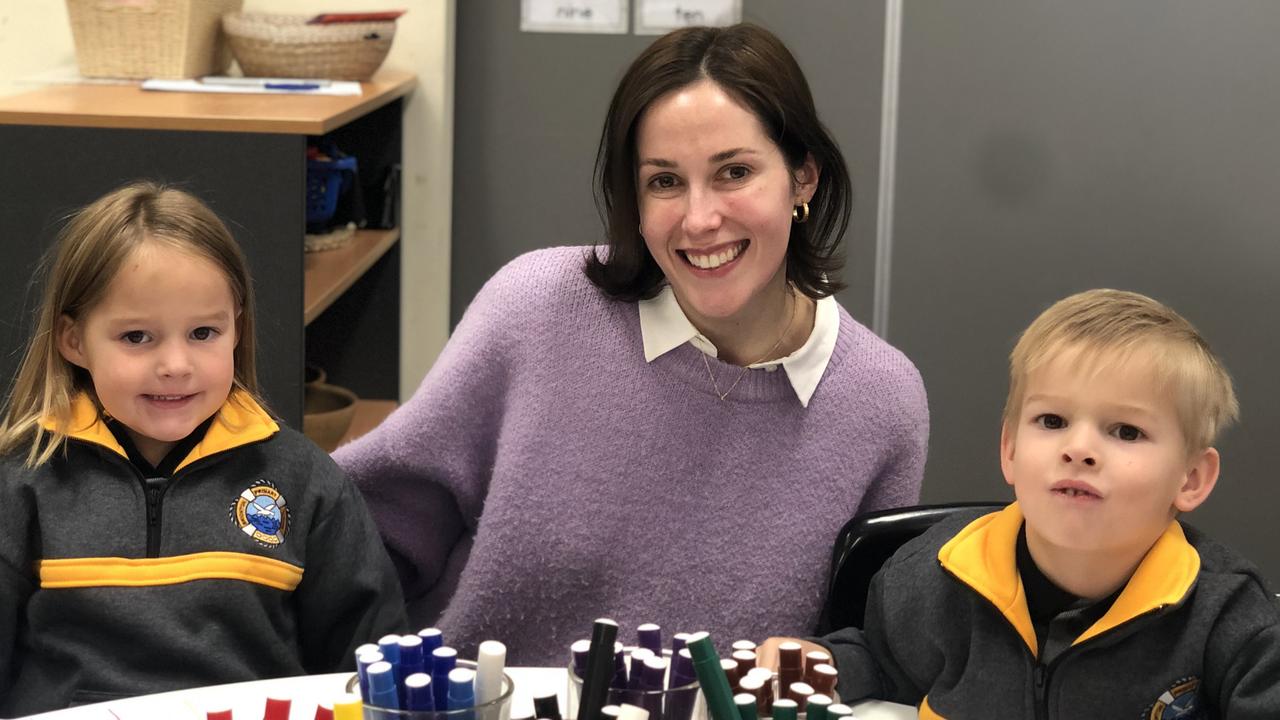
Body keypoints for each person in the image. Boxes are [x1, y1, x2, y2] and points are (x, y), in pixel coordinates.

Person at [334, 23, 928, 666]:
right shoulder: (536, 308)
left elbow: (867, 651)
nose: (699, 220)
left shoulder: (883, 402)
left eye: (734, 171)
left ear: (803, 178)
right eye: (665, 181)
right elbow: (361, 532)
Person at [0, 181, 407, 715]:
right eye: (137, 337)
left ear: (236, 327)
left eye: (202, 333)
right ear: (73, 341)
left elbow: (372, 659)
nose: (176, 365)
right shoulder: (24, 479)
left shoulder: (302, 478)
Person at [809, 289, 1280, 717]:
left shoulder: (1230, 616)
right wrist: (826, 664)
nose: (1078, 449)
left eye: (1126, 431)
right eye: (1052, 420)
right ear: (1010, 450)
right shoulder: (929, 577)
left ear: (1192, 478)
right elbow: (881, 660)